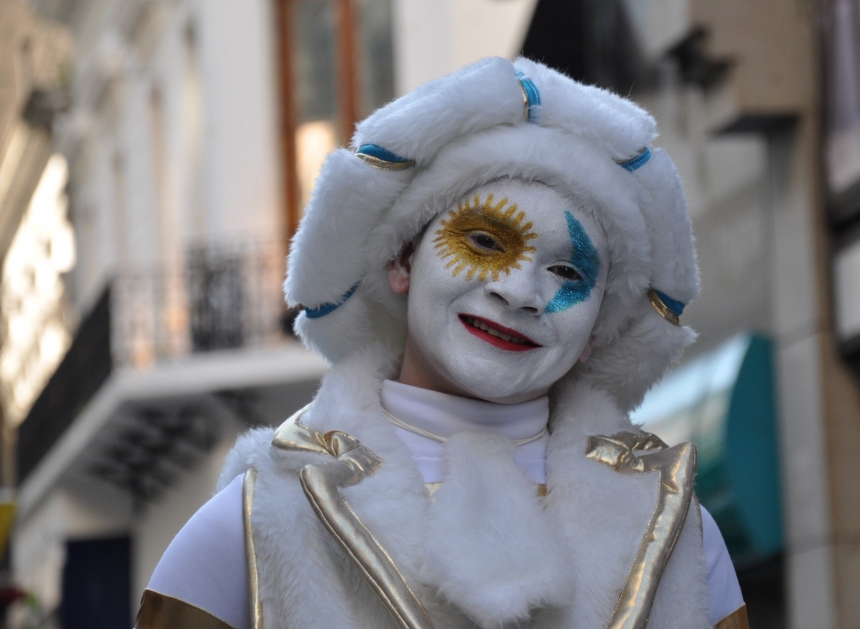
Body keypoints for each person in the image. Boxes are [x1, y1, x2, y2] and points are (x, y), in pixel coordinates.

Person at [135, 57, 748, 629]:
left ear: (595, 331)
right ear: (401, 262)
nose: (521, 292)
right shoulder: (255, 518)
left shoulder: (676, 531)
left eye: (568, 274)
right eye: (484, 242)